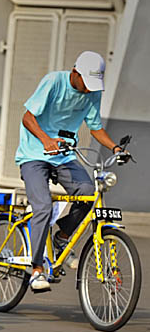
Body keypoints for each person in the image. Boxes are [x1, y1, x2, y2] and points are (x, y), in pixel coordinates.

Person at [17, 51, 124, 292]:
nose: (88, 90)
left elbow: (95, 127)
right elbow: (28, 117)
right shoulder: (54, 82)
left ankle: (62, 236)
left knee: (88, 193)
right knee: (43, 206)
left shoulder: (93, 92)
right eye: (86, 83)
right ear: (75, 73)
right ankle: (36, 269)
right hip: (34, 155)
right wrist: (45, 140)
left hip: (64, 156)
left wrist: (115, 147)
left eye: (92, 85)